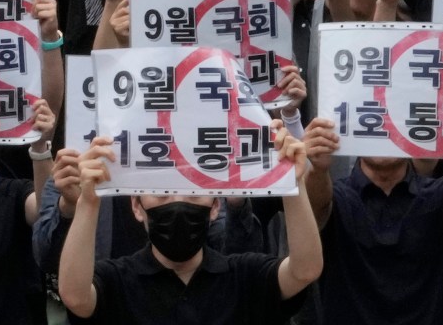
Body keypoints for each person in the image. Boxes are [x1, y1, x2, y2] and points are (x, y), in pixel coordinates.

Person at [55, 128, 321, 323]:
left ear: (215, 206)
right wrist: (88, 202)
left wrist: (293, 184)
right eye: (161, 194)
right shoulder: (116, 281)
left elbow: (304, 270)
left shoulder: (244, 277)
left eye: (194, 193)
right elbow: (75, 297)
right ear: (137, 206)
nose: (178, 203)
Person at [304, 113, 443, 325]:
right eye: (373, 121)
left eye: (392, 121)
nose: (384, 132)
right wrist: (317, 168)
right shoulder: (337, 198)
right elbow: (316, 205)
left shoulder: (436, 194)